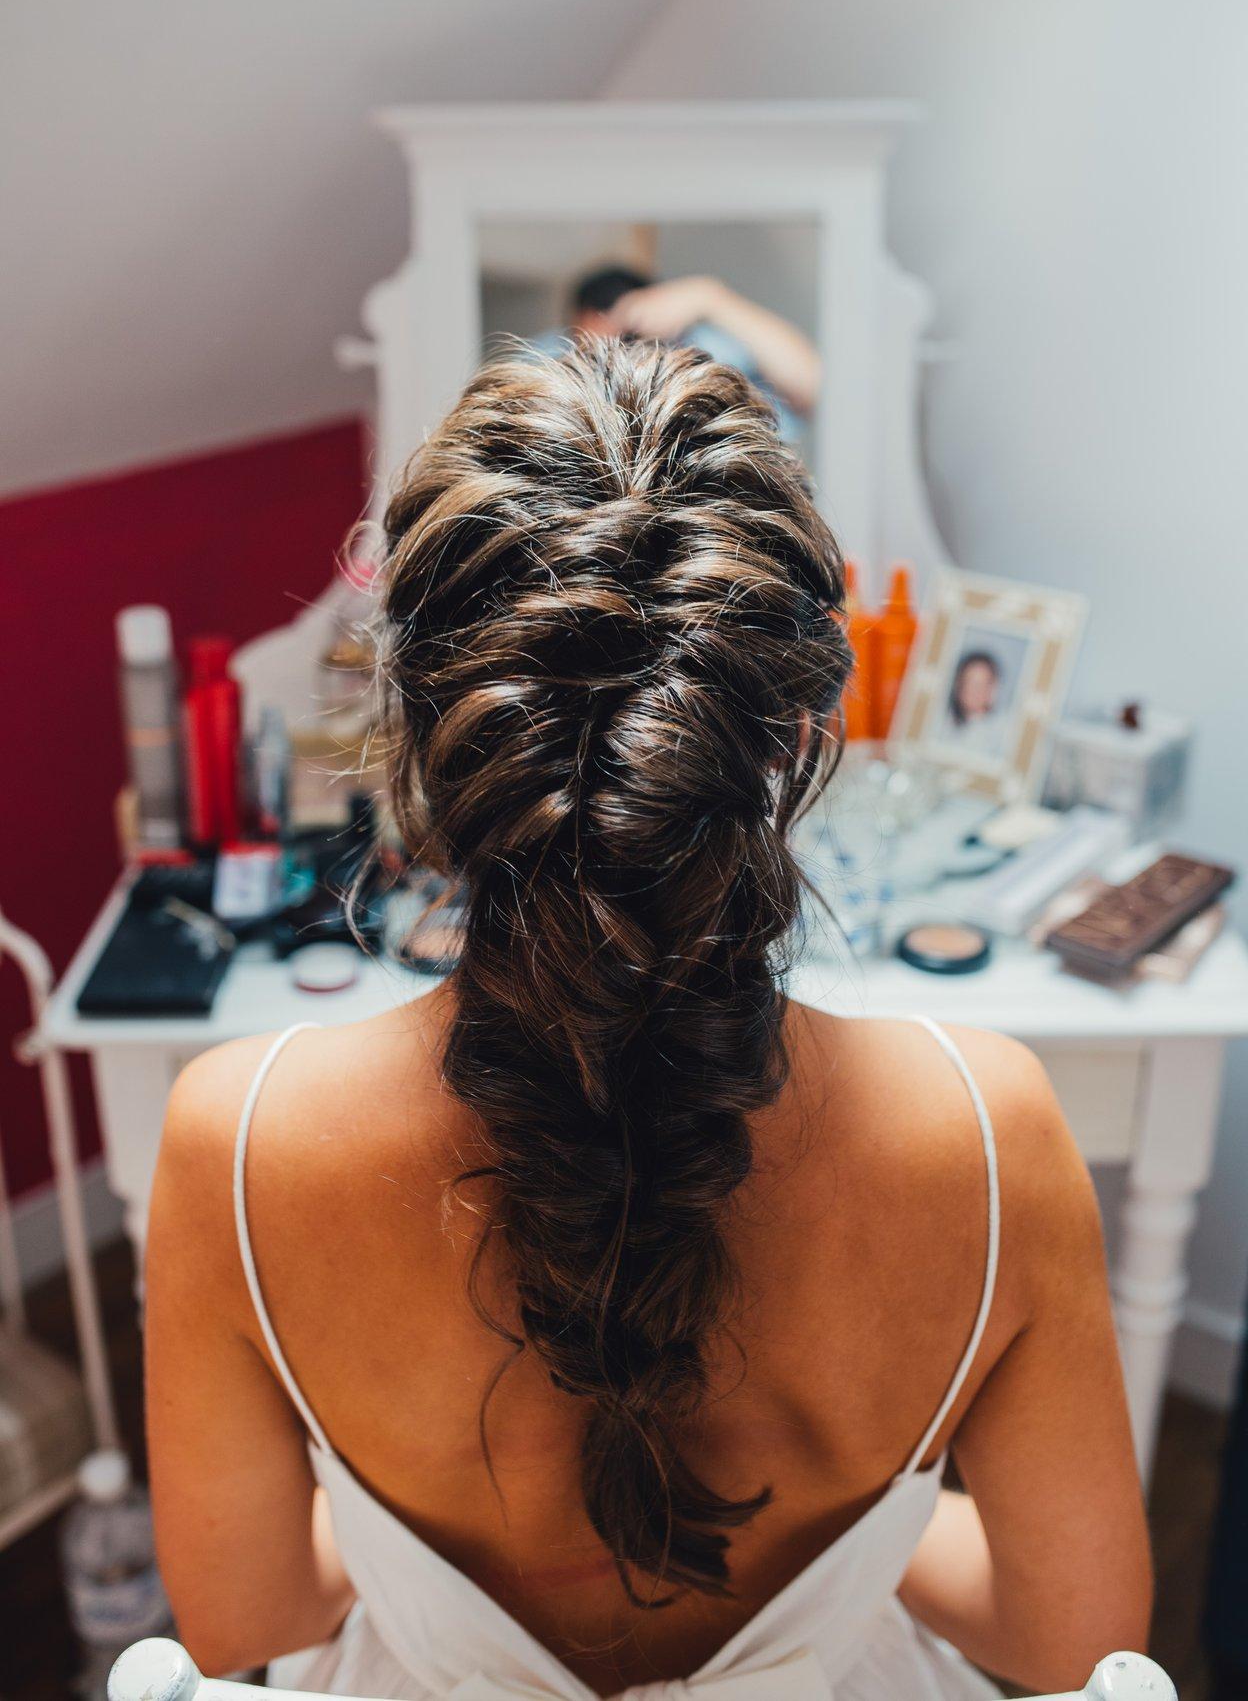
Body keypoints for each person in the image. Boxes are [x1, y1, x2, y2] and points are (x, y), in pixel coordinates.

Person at [145, 340, 1150, 1700]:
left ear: (428, 745)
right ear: (794, 735)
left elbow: (240, 1612)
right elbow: (1068, 1639)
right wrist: (861, 1512)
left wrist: (407, 1505)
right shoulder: (990, 1134)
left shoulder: (238, 1139)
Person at [558, 262, 820, 441]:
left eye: (626, 339)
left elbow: (812, 385)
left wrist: (710, 297)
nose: (613, 359)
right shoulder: (552, 358)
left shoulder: (708, 356)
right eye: (591, 348)